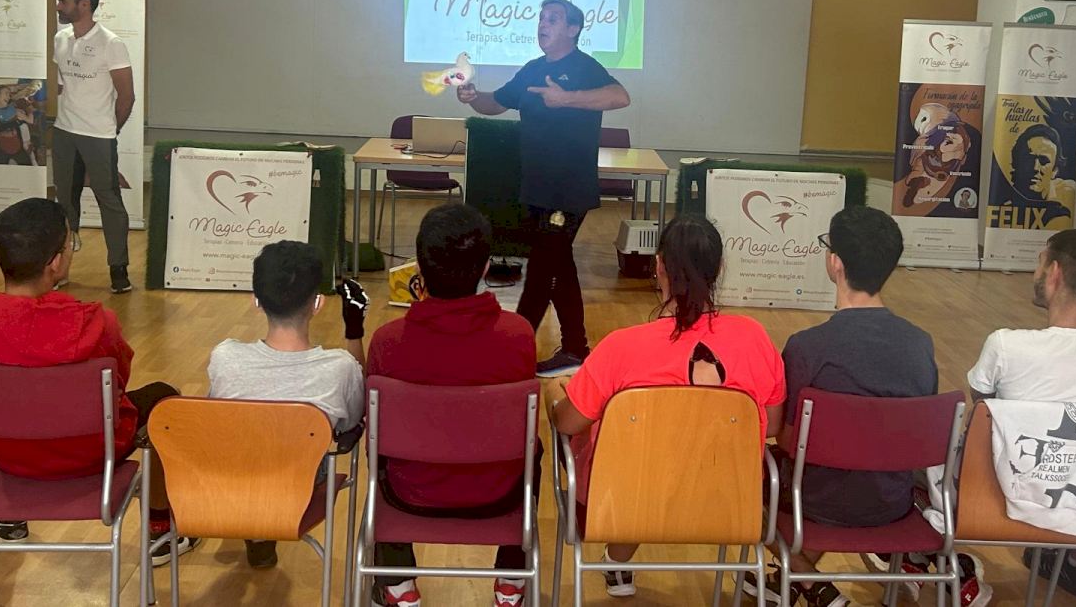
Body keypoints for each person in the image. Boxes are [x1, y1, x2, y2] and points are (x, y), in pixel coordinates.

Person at [0, 197, 196, 562]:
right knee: (165, 402)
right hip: (90, 456)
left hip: (9, 456)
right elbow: (118, 383)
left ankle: (10, 515)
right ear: (56, 263)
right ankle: (160, 531)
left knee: (13, 408)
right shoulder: (95, 324)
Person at [550, 213, 785, 600]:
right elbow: (771, 425)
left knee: (634, 457)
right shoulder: (754, 338)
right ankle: (617, 561)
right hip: (728, 504)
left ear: (658, 265)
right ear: (718, 268)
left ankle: (617, 559)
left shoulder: (621, 347)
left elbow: (569, 423)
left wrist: (555, 399)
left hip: (623, 501)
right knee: (673, 457)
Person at [746, 205, 966, 607]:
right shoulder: (920, 345)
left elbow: (790, 440)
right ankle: (793, 580)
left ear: (835, 263)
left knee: (745, 474)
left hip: (815, 504)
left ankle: (804, 578)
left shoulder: (806, 347)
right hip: (890, 504)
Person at [366, 203, 537, 607]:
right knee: (535, 446)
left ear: (419, 270)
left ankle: (397, 584)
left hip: (407, 492)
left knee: (379, 446)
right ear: (486, 267)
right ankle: (511, 581)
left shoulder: (388, 341)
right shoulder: (518, 335)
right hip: (500, 493)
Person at [457, 0, 631, 376]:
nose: (543, 24)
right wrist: (472, 97)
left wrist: (567, 98)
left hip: (568, 189)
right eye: (541, 18)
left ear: (573, 29)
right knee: (558, 266)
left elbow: (620, 96)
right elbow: (495, 103)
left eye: (553, 19)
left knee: (541, 271)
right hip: (537, 187)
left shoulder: (584, 67)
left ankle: (513, 353)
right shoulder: (533, 69)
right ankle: (575, 349)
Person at [968, 228, 1076, 598]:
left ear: (1054, 273)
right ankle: (1074, 560)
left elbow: (981, 412)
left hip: (994, 504)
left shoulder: (1005, 345)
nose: (1035, 273)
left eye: (1039, 263)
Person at [206, 240, 367, 569]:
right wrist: (354, 332)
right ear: (317, 303)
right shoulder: (340, 368)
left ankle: (258, 534)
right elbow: (352, 420)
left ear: (256, 300)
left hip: (228, 486)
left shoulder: (224, 357)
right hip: (300, 491)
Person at [52, 0, 135, 293]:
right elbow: (63, 85)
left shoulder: (111, 43)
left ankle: (118, 269)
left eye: (64, 1)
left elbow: (126, 97)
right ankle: (60, 269)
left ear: (84, 5)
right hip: (64, 132)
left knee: (109, 200)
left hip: (98, 136)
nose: (58, 6)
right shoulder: (60, 38)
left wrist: (111, 130)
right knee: (65, 202)